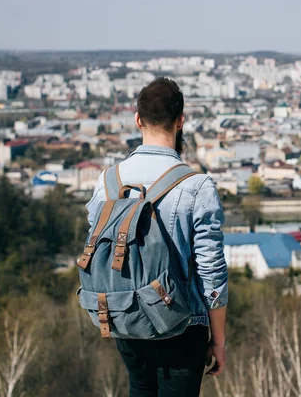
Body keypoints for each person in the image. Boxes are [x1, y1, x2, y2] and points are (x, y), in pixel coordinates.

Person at [85, 78, 228, 397]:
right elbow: (212, 275)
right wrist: (218, 341)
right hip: (182, 324)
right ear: (180, 121)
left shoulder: (106, 183)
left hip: (125, 316)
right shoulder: (197, 186)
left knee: (140, 389)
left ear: (138, 120)